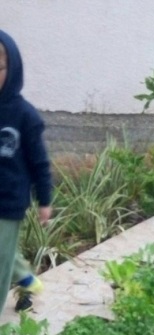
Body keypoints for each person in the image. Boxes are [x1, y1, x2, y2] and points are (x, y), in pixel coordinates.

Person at [0, 29, 52, 315]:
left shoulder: (26, 116)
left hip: (8, 201)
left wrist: (45, 200)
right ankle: (27, 279)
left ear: (13, 68)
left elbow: (39, 162)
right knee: (2, 250)